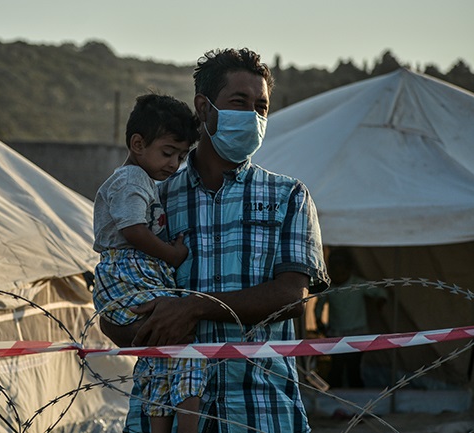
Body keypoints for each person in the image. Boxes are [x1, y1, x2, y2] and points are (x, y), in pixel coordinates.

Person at [100, 48, 330, 433]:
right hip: (164, 413)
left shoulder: (289, 197)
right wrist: (139, 328)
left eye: (261, 107)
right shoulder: (152, 199)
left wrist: (193, 309)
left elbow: (292, 296)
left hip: (260, 409)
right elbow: (116, 295)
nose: (253, 117)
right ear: (203, 109)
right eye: (239, 103)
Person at [92, 93, 203, 433]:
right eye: (168, 152)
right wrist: (172, 254)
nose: (174, 164)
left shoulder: (143, 181)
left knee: (160, 353)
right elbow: (133, 230)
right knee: (184, 349)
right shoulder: (131, 180)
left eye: (182, 156)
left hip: (134, 273)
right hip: (128, 273)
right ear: (137, 144)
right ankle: (188, 426)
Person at [314, 248, 386, 388]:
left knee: (354, 368)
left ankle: (357, 398)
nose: (338, 275)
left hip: (358, 333)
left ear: (349, 269)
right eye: (335, 271)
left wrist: (381, 301)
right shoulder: (329, 287)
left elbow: (380, 292)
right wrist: (318, 321)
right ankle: (335, 399)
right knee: (337, 368)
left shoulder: (358, 284)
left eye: (342, 271)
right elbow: (318, 306)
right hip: (336, 333)